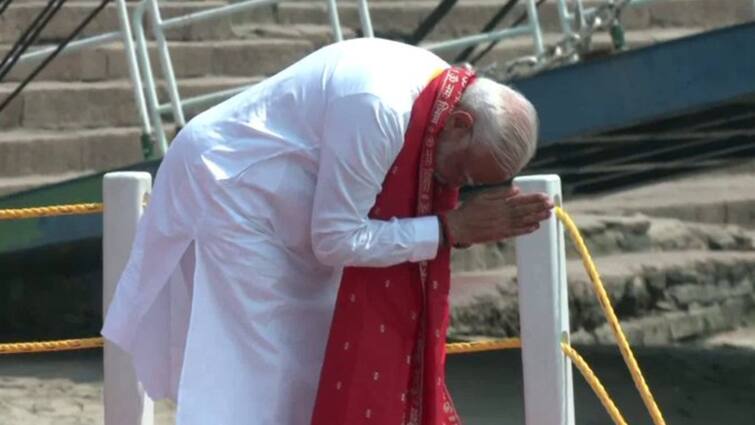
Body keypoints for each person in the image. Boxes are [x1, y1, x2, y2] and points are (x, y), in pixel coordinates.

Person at [101, 37, 552, 425]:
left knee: (313, 366)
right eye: (464, 176)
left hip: (288, 207)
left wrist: (446, 228)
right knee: (258, 376)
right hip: (233, 189)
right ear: (459, 124)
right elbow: (336, 239)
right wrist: (446, 228)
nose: (453, 187)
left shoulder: (438, 92)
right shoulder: (381, 109)